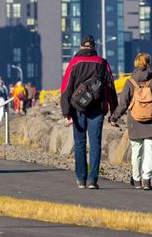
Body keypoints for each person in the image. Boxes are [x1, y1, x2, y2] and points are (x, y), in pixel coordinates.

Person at [60, 34, 118, 190]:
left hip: (77, 108)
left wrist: (66, 113)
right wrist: (114, 112)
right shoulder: (102, 63)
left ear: (80, 46)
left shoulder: (74, 63)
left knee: (79, 144)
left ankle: (81, 179)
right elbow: (110, 88)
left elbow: (66, 88)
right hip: (97, 109)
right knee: (95, 144)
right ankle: (93, 180)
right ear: (93, 47)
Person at [110, 52, 152, 191]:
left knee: (136, 151)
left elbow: (123, 103)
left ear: (135, 64)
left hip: (135, 121)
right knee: (150, 151)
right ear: (148, 63)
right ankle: (147, 180)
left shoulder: (130, 82)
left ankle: (137, 180)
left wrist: (114, 117)